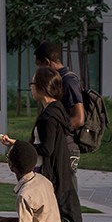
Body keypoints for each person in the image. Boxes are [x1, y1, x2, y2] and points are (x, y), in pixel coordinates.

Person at [0, 66, 86, 222]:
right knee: (65, 213)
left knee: (60, 216)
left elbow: (46, 148)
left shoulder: (49, 117)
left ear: (40, 87)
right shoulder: (56, 111)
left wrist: (19, 146)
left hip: (53, 174)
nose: (30, 88)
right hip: (60, 172)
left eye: (32, 84)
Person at [34, 42, 84, 176]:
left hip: (66, 147)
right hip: (55, 146)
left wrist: (54, 130)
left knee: (67, 191)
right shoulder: (58, 80)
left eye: (39, 66)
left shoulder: (68, 81)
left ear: (47, 62)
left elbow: (79, 118)